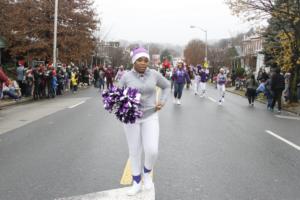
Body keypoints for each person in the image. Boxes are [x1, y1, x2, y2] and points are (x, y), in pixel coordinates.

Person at [119, 47, 170, 196]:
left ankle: (147, 173)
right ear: (134, 61)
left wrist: (162, 101)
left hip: (150, 115)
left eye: (146, 60)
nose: (143, 63)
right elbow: (117, 95)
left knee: (152, 150)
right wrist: (120, 106)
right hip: (131, 118)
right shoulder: (126, 76)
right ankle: (136, 181)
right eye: (139, 60)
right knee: (134, 150)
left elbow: (167, 86)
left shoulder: (154, 74)